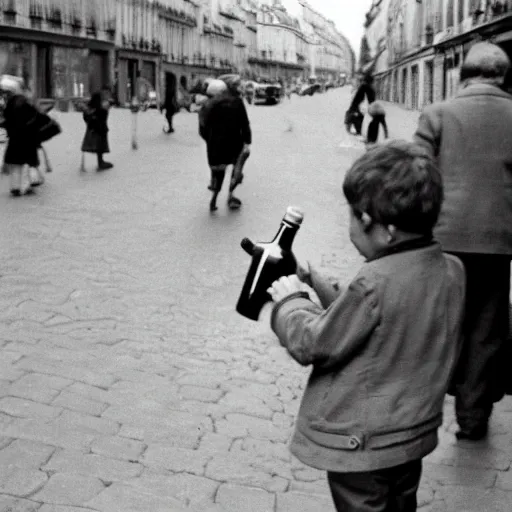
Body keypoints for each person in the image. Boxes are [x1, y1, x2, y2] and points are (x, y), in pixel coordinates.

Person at [267, 141, 465, 512]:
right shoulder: (451, 269)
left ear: (380, 228)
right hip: (410, 436)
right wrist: (317, 282)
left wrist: (290, 302)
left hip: (363, 445)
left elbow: (316, 342)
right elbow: (382, 315)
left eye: (352, 216)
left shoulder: (373, 282)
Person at [414, 41, 512, 441]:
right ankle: (473, 417)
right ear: (503, 77)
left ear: (462, 75)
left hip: (443, 240)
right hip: (497, 242)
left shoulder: (437, 114)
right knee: (486, 331)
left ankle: (418, 416)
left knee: (440, 326)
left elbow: (417, 178)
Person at [199, 75, 252, 212]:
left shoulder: (209, 103)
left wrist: (209, 140)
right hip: (234, 142)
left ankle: (214, 199)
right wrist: (247, 141)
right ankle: (230, 196)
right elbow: (244, 123)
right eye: (238, 85)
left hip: (215, 144)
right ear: (231, 87)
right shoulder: (237, 102)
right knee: (236, 169)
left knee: (218, 173)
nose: (241, 87)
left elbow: (203, 127)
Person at [0, 75, 43, 196]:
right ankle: (31, 183)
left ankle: (15, 187)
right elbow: (35, 118)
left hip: (15, 138)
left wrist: (7, 128)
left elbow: (7, 120)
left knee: (15, 166)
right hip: (28, 138)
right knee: (30, 163)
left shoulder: (10, 105)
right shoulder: (27, 103)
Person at [81, 90, 113, 171]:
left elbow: (86, 118)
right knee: (100, 146)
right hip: (99, 130)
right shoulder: (99, 109)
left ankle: (100, 162)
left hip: (93, 130)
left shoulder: (91, 109)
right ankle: (100, 162)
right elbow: (103, 117)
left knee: (98, 146)